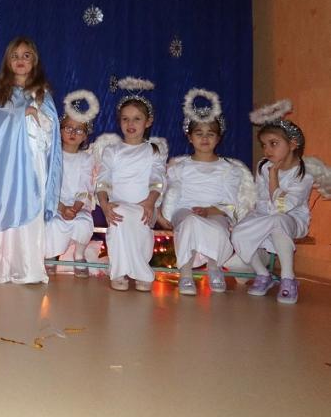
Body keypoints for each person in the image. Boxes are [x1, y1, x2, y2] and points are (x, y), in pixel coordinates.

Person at [0, 37, 62, 284]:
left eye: (26, 55)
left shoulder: (41, 93)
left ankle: (28, 268)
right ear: (8, 62)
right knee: (5, 204)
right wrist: (22, 114)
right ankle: (0, 266)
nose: (20, 60)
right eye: (15, 56)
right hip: (6, 164)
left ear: (34, 61)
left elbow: (51, 127)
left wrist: (36, 116)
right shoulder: (0, 94)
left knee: (31, 206)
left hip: (33, 161)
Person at [160, 90, 254, 296]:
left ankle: (214, 266)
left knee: (218, 227)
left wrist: (210, 210)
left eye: (210, 134)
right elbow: (168, 193)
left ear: (218, 138)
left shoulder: (228, 169)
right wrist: (162, 213)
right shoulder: (180, 167)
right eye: (199, 133)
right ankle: (185, 272)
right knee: (190, 221)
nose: (204, 138)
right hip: (185, 209)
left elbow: (231, 202)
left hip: (215, 211)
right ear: (189, 137)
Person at [231, 101, 313, 304]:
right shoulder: (263, 166)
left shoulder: (304, 174)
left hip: (292, 219)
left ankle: (288, 278)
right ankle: (262, 274)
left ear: (293, 144)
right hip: (264, 214)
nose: (267, 150)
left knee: (278, 221)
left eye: (273, 143)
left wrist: (274, 175)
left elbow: (282, 207)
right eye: (264, 145)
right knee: (239, 231)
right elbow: (260, 199)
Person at [95, 90, 167, 292]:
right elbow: (102, 181)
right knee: (118, 215)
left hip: (145, 206)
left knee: (134, 219)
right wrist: (105, 206)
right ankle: (122, 271)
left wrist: (150, 202)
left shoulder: (153, 150)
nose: (130, 123)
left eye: (137, 118)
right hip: (118, 205)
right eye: (125, 119)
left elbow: (158, 179)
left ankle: (137, 270)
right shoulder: (112, 151)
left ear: (148, 122)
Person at [45, 90, 99, 279]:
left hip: (77, 205)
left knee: (84, 222)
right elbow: (47, 186)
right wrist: (61, 208)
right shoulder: (52, 156)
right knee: (53, 223)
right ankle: (50, 256)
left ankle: (79, 255)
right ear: (60, 130)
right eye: (68, 128)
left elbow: (85, 187)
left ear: (85, 136)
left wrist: (75, 208)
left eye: (79, 130)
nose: (73, 133)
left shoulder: (86, 159)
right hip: (54, 204)